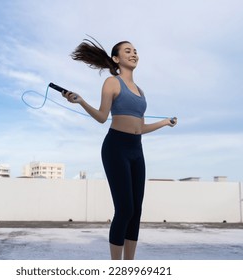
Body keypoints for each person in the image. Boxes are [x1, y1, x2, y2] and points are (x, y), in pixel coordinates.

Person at [62, 38, 177, 260]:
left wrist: (164, 122)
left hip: (136, 149)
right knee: (124, 210)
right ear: (116, 58)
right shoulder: (112, 83)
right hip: (116, 148)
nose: (134, 54)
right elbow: (102, 117)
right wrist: (82, 101)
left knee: (136, 212)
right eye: (127, 51)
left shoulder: (141, 91)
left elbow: (140, 127)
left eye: (135, 51)